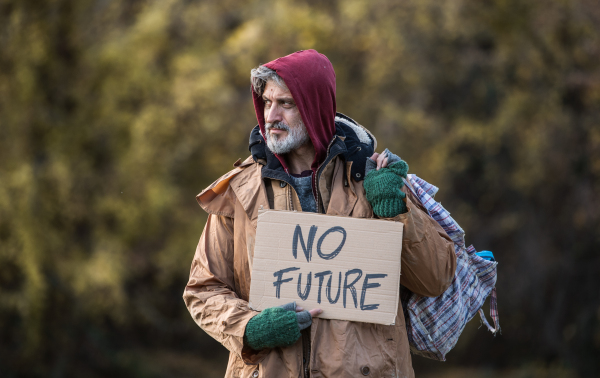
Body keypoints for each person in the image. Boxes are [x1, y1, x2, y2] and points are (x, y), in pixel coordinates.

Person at [183, 49, 456, 378]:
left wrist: (396, 210)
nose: (271, 115)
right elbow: (202, 290)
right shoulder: (240, 191)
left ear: (313, 109)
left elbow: (436, 279)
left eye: (286, 103)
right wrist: (250, 328)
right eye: (267, 103)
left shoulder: (374, 178)